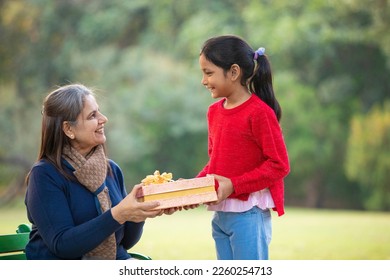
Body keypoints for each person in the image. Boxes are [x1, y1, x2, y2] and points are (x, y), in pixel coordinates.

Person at [24, 84, 172, 260]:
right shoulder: (44, 175)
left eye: (99, 112)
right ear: (68, 129)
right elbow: (62, 246)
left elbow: (124, 242)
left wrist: (139, 211)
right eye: (92, 116)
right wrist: (118, 214)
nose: (104, 119)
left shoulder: (111, 170)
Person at [197, 35, 290, 260]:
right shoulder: (214, 112)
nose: (203, 80)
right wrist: (190, 187)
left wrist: (235, 185)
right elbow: (216, 163)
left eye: (209, 73)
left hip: (249, 214)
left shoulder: (260, 113)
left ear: (234, 72)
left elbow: (279, 165)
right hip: (221, 215)